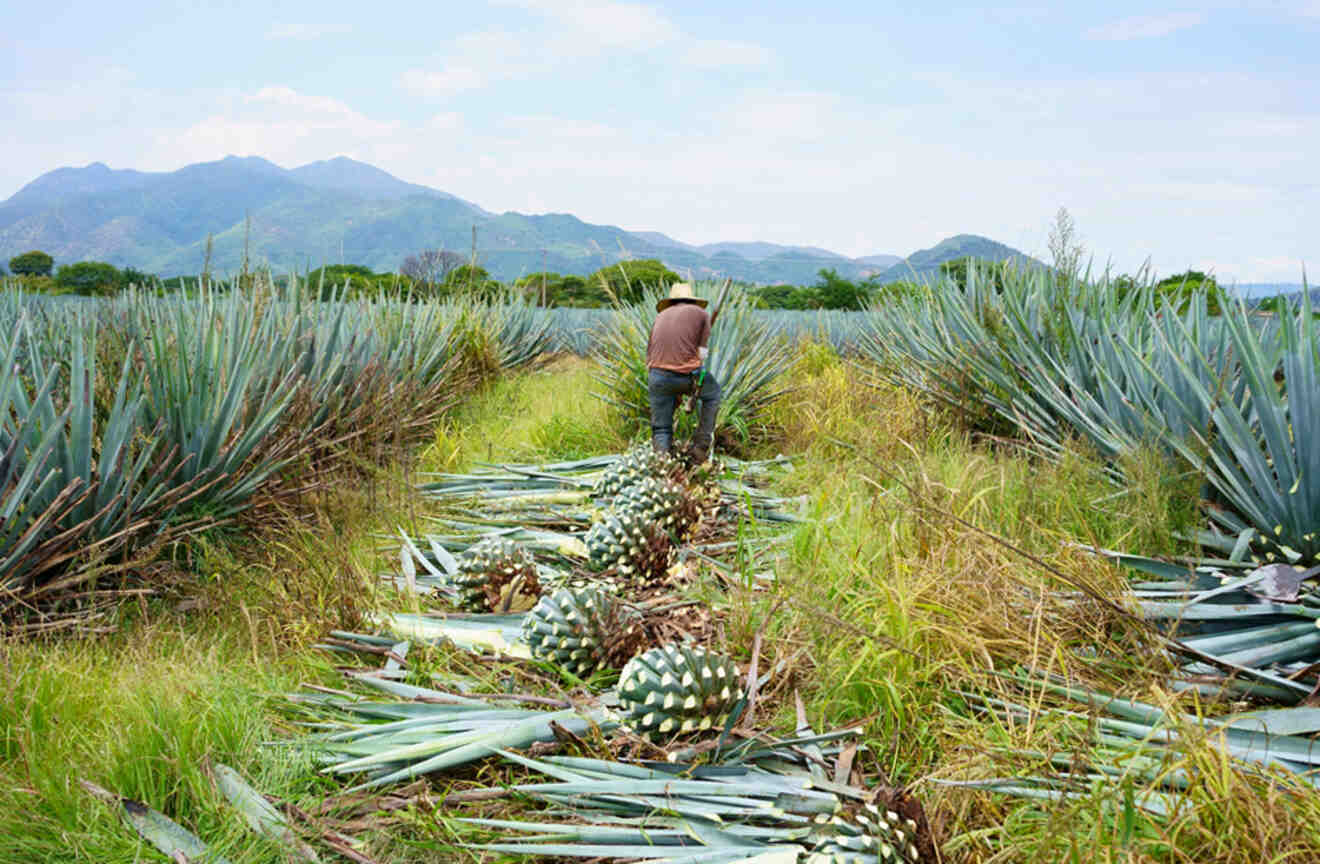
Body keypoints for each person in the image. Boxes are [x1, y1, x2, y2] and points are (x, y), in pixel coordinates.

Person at [646, 283, 722, 462]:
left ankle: (662, 463)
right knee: (713, 394)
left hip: (656, 376)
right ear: (691, 299)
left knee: (661, 428)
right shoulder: (702, 314)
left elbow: (649, 351)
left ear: (671, 302)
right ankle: (700, 449)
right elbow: (702, 353)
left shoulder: (660, 316)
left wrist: (671, 391)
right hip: (687, 375)